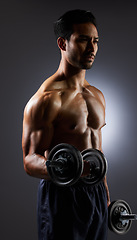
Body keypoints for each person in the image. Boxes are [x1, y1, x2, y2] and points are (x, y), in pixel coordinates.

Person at [22, 9, 110, 240]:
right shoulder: (46, 99)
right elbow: (30, 160)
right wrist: (68, 169)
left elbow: (97, 153)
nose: (92, 49)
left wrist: (106, 198)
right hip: (62, 196)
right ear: (63, 43)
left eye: (95, 41)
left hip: (96, 193)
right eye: (83, 40)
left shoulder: (97, 95)